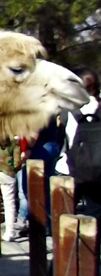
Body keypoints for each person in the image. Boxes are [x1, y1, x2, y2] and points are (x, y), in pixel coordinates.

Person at [56, 67, 101, 213]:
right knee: (96, 212)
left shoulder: (69, 110)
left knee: (65, 212)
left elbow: (62, 135)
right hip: (98, 170)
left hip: (71, 169)